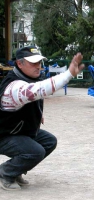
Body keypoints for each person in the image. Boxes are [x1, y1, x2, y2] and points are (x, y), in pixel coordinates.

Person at [0, 46, 84, 191]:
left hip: (17, 131)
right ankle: (5, 173)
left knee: (49, 141)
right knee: (35, 151)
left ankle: (16, 169)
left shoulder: (27, 78)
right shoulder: (13, 86)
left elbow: (32, 98)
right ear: (19, 64)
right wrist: (68, 74)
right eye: (33, 63)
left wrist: (38, 115)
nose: (38, 66)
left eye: (39, 62)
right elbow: (38, 90)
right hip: (4, 135)